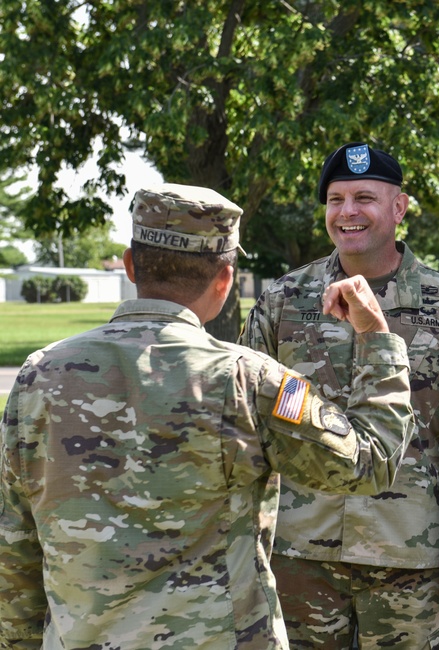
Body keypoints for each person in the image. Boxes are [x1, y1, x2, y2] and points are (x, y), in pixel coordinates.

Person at [0, 184, 415, 649]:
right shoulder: (252, 380)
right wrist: (377, 337)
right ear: (225, 280)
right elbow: (371, 461)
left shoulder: (37, 377)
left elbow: (14, 549)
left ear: (130, 264)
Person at [239, 142, 439, 648]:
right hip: (300, 554)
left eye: (364, 197)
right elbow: (241, 429)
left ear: (398, 207)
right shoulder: (283, 300)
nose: (348, 213)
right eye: (336, 199)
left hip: (409, 556)